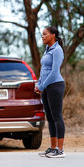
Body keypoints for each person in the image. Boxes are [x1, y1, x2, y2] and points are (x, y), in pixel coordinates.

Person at [35, 26, 66, 158]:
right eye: (42, 34)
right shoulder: (48, 50)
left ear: (53, 35)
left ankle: (60, 150)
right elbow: (44, 70)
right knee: (50, 118)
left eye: (45, 34)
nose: (42, 37)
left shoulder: (57, 50)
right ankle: (53, 148)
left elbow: (54, 73)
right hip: (47, 87)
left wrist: (42, 86)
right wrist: (39, 85)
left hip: (56, 86)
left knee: (57, 117)